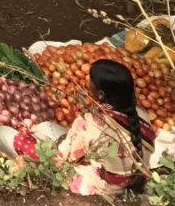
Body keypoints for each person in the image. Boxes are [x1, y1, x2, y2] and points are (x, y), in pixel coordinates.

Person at [48, 59, 151, 195]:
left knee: (36, 139)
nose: (88, 83)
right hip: (136, 180)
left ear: (101, 94)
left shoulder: (90, 121)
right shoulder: (142, 115)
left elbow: (67, 156)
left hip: (105, 187)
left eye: (91, 81)